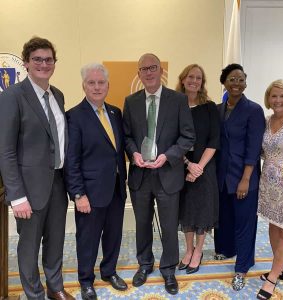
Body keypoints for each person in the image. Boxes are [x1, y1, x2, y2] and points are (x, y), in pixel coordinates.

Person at [0, 37, 74, 300]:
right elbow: (6, 151)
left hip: (58, 182)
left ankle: (55, 287)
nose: (44, 64)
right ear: (27, 63)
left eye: (48, 59)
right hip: (29, 189)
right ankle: (34, 294)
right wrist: (16, 195)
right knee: (29, 246)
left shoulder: (59, 96)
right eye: (37, 60)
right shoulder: (12, 96)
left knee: (55, 240)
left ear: (54, 63)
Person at [123, 53, 195, 295]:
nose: (149, 72)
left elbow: (188, 136)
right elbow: (127, 137)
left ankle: (168, 269)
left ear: (161, 70)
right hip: (140, 176)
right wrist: (134, 154)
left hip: (168, 174)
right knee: (142, 224)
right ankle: (145, 264)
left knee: (168, 226)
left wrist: (168, 156)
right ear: (139, 73)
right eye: (144, 69)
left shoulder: (178, 100)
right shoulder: (130, 101)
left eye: (153, 67)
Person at [64, 63, 128, 299]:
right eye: (91, 82)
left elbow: (118, 151)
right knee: (87, 239)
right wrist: (79, 194)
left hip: (116, 189)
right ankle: (86, 280)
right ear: (84, 86)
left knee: (113, 235)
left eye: (101, 82)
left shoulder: (115, 112)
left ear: (108, 85)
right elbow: (72, 160)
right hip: (89, 193)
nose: (97, 87)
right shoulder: (74, 116)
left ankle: (108, 271)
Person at [213, 63, 265, 291]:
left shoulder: (253, 110)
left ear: (246, 82)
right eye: (232, 79)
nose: (237, 83)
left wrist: (245, 179)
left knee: (245, 224)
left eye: (241, 79)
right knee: (224, 218)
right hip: (221, 176)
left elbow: (253, 148)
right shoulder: (217, 109)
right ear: (223, 82)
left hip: (245, 177)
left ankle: (242, 267)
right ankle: (226, 249)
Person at [256, 80, 283, 299]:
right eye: (274, 96)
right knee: (274, 228)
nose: (278, 100)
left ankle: (272, 279)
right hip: (268, 187)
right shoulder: (266, 121)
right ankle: (280, 269)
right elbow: (263, 153)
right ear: (268, 98)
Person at [175, 64, 219, 274]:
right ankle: (188, 249)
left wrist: (199, 167)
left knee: (202, 210)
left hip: (205, 167)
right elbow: (169, 139)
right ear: (183, 80)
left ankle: (199, 251)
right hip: (181, 165)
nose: (194, 81)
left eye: (199, 78)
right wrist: (187, 164)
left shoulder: (210, 107)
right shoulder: (175, 105)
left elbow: (214, 139)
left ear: (202, 83)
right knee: (186, 210)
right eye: (190, 77)